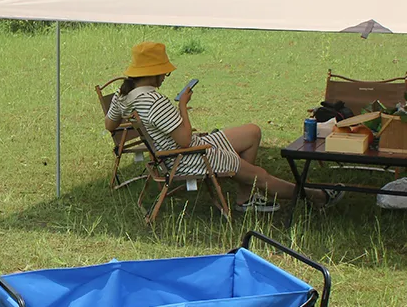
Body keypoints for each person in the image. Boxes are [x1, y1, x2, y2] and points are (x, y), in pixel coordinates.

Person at [104, 42, 342, 212]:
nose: (166, 76)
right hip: (188, 156)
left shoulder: (123, 95)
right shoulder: (155, 102)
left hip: (179, 150)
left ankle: (243, 197)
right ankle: (317, 196)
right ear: (153, 72)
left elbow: (110, 125)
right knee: (260, 175)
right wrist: (183, 106)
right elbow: (185, 140)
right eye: (164, 72)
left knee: (252, 132)